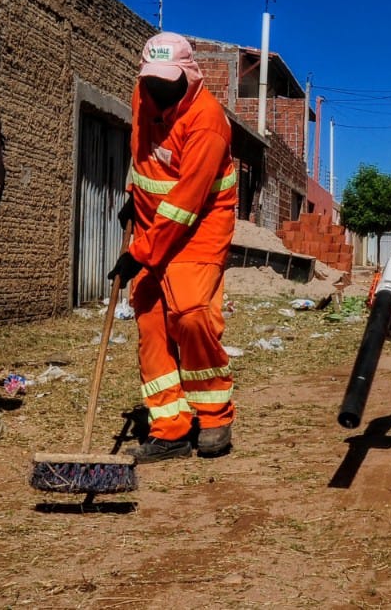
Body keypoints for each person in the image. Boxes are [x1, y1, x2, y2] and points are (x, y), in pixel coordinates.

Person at [111, 32, 239, 461]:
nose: (158, 91)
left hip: (201, 224)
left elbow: (186, 204)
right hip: (152, 221)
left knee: (190, 313)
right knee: (149, 316)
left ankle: (215, 417)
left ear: (190, 75)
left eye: (168, 81)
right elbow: (141, 149)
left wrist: (139, 252)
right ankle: (170, 428)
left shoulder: (208, 122)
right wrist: (133, 192)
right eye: (152, 81)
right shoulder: (142, 93)